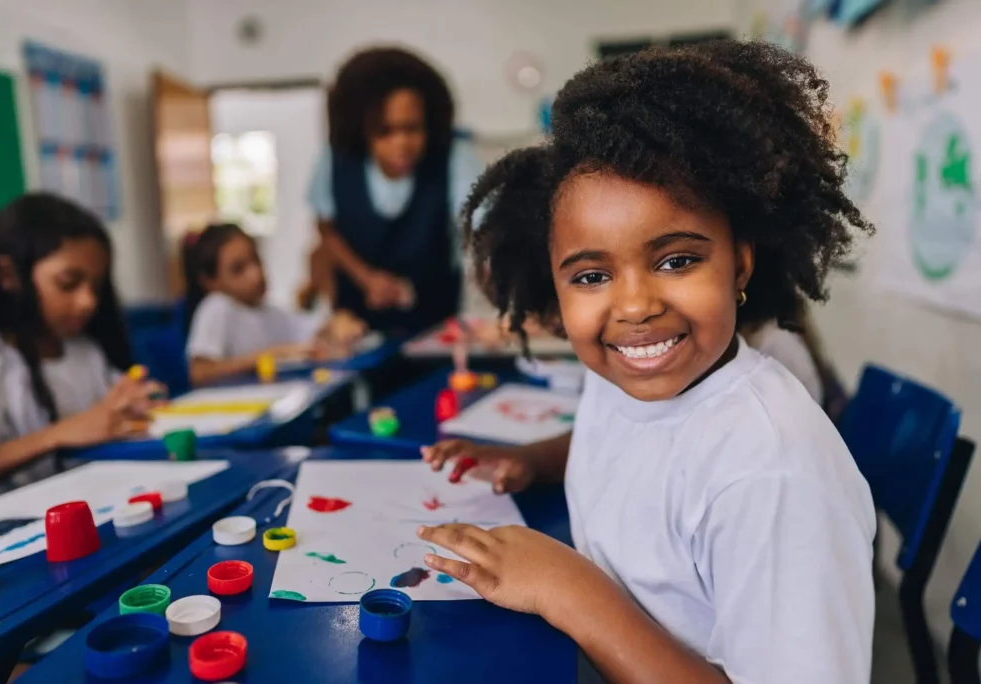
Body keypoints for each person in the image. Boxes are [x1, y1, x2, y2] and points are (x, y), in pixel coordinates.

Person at [419, 41, 876, 683]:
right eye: (592, 275)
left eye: (677, 260)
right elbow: (633, 441)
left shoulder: (771, 476)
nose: (634, 306)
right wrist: (533, 461)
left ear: (739, 262)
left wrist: (570, 591)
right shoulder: (634, 375)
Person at [0, 194, 162, 491]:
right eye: (68, 283)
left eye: (96, 286)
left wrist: (138, 401)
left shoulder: (85, 352)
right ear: (9, 275)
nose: (88, 301)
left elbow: (114, 417)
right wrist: (58, 434)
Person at [308, 46, 482, 333]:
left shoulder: (454, 158)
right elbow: (326, 228)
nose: (401, 144)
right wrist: (367, 278)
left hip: (435, 327)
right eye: (384, 132)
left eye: (412, 129)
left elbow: (484, 223)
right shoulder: (335, 160)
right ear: (363, 131)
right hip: (357, 328)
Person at [183, 223, 365, 386]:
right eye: (238, 269)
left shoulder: (269, 312)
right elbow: (199, 373)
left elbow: (313, 329)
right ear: (210, 281)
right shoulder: (216, 306)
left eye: (256, 259)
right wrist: (269, 356)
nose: (256, 274)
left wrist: (338, 323)